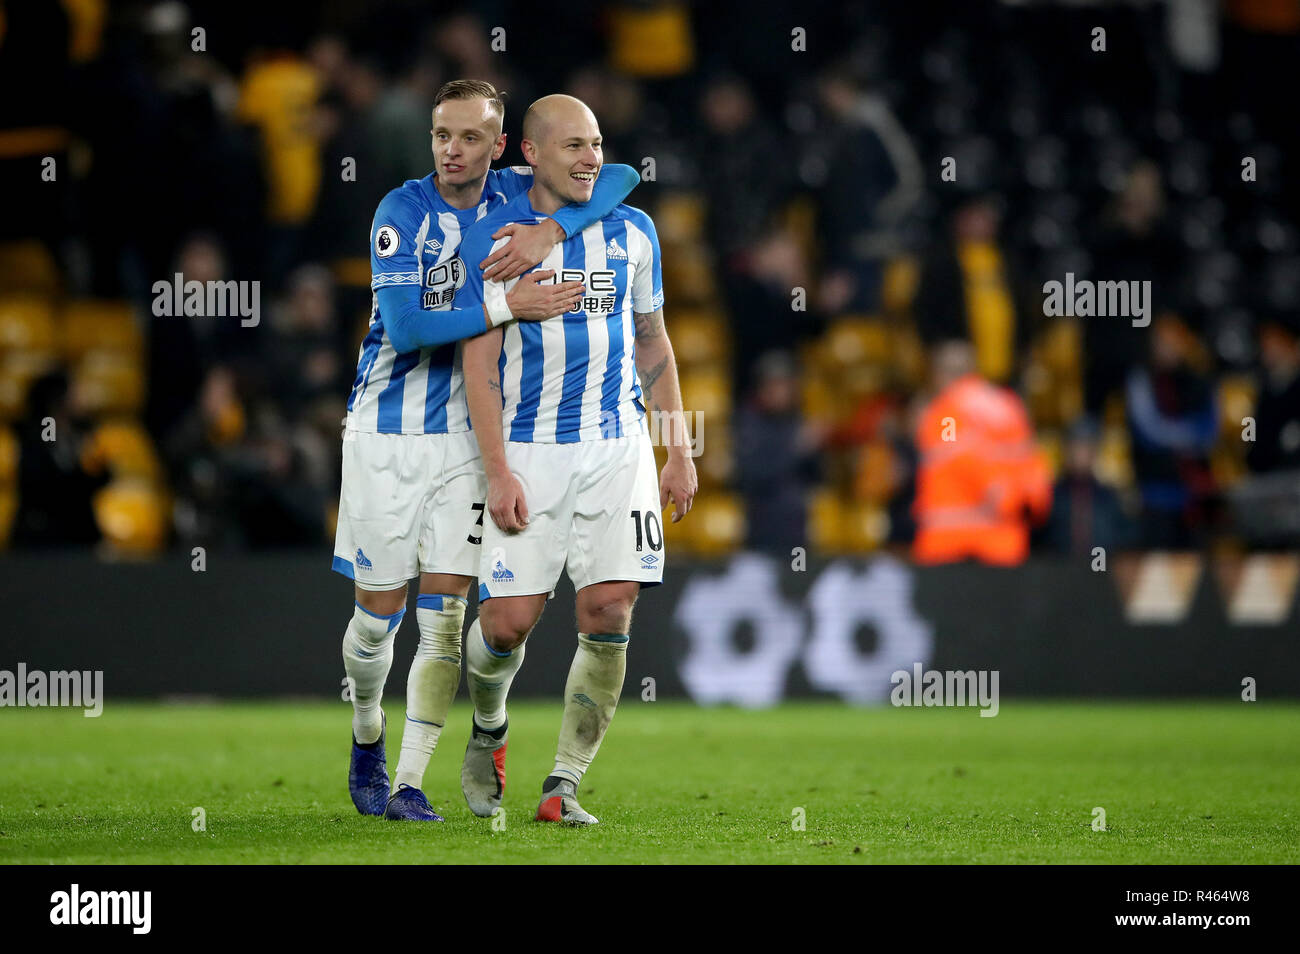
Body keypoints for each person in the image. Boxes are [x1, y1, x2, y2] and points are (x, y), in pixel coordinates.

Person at [333, 79, 640, 822]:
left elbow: (622, 178)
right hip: (385, 433)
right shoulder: (402, 211)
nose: (452, 149)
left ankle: (405, 784)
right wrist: (508, 302)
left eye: (470, 137)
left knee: (444, 620)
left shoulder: (513, 198)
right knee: (377, 620)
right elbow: (405, 331)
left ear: (500, 147)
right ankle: (367, 731)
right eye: (443, 134)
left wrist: (552, 233)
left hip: (471, 440)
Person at [458, 94, 697, 825]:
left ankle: (563, 784)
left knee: (610, 604)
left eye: (596, 143)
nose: (592, 157)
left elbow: (653, 340)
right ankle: (489, 726)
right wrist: (497, 470)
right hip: (530, 450)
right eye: (572, 146)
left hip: (616, 444)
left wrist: (678, 447)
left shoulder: (634, 232)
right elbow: (481, 360)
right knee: (506, 625)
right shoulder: (497, 236)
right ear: (529, 153)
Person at [912, 341, 1051, 565]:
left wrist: (1002, 497)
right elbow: (1031, 460)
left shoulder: (947, 411)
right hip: (1004, 541)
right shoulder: (1007, 404)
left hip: (953, 543)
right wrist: (1031, 503)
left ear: (940, 374)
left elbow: (957, 455)